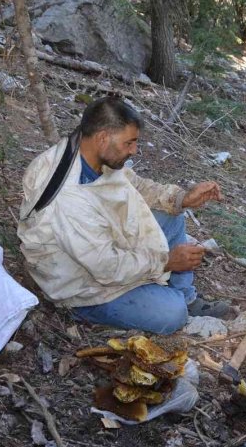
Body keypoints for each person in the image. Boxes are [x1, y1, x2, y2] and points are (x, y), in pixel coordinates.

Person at [17, 96, 231, 334]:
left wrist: (182, 198)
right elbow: (104, 266)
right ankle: (87, 311)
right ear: (103, 138)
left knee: (172, 216)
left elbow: (135, 186)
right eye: (129, 143)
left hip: (103, 241)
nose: (134, 150)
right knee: (172, 313)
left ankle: (183, 295)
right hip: (81, 281)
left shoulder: (90, 151)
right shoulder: (67, 196)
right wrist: (165, 262)